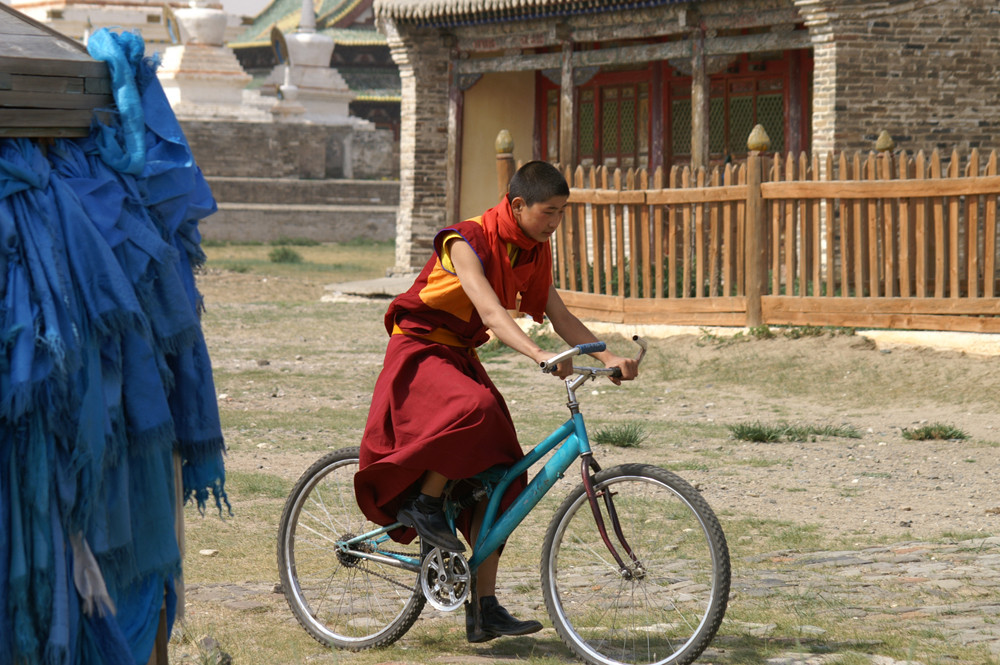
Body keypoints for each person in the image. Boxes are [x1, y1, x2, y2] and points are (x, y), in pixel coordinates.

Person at [354, 160, 638, 642]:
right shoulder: (465, 241)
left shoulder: (533, 251)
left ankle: (483, 608)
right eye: (548, 212)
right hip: (420, 347)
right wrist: (537, 354)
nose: (555, 223)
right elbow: (488, 309)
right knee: (475, 411)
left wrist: (610, 356)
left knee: (507, 476)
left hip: (459, 353)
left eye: (562, 213)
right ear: (517, 205)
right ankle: (425, 503)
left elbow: (560, 315)